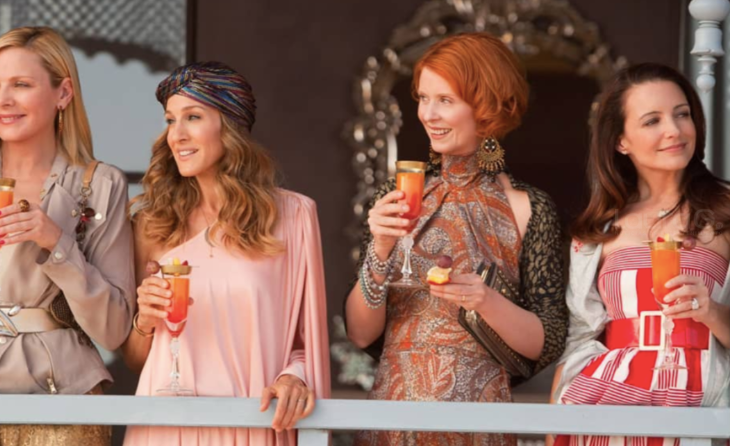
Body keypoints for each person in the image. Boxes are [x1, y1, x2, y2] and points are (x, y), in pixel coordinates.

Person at [344, 32, 568, 446]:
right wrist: (380, 248)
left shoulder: (529, 208)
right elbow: (360, 334)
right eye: (423, 98)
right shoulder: (394, 196)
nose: (428, 114)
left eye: (445, 100)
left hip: (479, 429)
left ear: (487, 107)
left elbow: (548, 340)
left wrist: (485, 300)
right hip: (392, 424)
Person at [0, 26, 135, 445]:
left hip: (60, 406)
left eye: (21, 84)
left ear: (64, 93)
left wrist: (57, 244)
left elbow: (114, 330)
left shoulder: (100, 184)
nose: (2, 100)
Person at [121, 61, 331, 445]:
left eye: (193, 117)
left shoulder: (293, 216)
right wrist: (145, 321)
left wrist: (294, 377)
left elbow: (308, 342)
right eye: (170, 120)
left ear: (230, 125)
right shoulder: (153, 224)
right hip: (166, 425)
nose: (177, 135)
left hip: (253, 419)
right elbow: (137, 359)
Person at [550, 63, 730, 446]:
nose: (674, 130)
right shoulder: (598, 231)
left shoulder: (725, 212)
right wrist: (553, 434)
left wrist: (711, 312)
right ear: (621, 141)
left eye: (682, 114)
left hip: (702, 410)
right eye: (652, 121)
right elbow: (579, 341)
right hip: (608, 409)